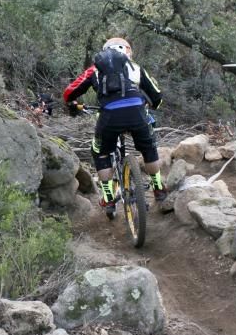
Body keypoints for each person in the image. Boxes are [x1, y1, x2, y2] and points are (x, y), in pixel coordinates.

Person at [63, 38, 167, 213]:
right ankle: (158, 189)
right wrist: (151, 107)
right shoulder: (136, 68)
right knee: (149, 148)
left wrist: (72, 104)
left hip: (109, 116)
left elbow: (68, 92)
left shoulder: (94, 70)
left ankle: (109, 200)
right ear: (127, 52)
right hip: (137, 113)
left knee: (100, 152)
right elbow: (157, 96)